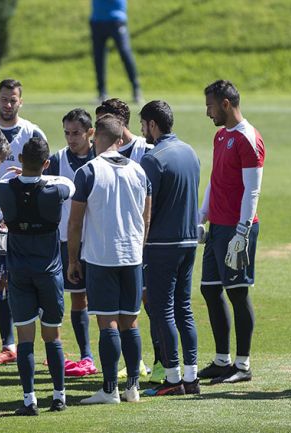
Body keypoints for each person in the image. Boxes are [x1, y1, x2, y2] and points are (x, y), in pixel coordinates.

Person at [68, 114, 151, 404]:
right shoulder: (139, 171)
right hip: (132, 256)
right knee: (131, 323)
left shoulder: (89, 171)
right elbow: (146, 216)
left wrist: (73, 259)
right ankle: (133, 388)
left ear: (94, 138)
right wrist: (139, 249)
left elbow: (75, 223)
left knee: (108, 324)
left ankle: (108, 389)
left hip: (102, 257)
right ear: (119, 140)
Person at [0, 136, 76, 416]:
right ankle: (58, 396)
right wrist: (42, 174)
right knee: (52, 337)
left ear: (19, 160)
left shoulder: (3, 188)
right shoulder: (56, 190)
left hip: (19, 273)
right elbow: (69, 184)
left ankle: (29, 400)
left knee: (25, 339)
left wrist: (26, 176)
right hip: (49, 273)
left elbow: (8, 184)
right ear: (46, 163)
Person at [198, 80, 264, 384]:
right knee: (210, 289)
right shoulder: (220, 135)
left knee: (237, 293)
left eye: (210, 105)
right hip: (217, 227)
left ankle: (243, 364)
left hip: (238, 229)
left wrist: (242, 231)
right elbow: (215, 179)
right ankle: (223, 360)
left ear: (225, 104)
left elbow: (253, 190)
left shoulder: (248, 138)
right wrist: (202, 216)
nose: (207, 111)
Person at [137, 101, 201, 396]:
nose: (142, 131)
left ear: (152, 124)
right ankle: (191, 377)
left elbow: (145, 208)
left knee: (163, 311)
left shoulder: (153, 159)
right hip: (189, 242)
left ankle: (173, 380)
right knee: (184, 309)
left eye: (143, 125)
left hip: (162, 244)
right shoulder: (190, 152)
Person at [0, 79, 49, 367]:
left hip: (23, 221)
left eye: (13, 100)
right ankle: (8, 344)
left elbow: (46, 170)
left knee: (31, 279)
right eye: (4, 99)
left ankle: (44, 344)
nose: (8, 104)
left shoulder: (32, 131)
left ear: (21, 101)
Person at [96, 97, 158, 382]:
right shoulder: (100, 155)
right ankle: (139, 364)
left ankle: (161, 360)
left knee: (148, 303)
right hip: (124, 242)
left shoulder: (145, 150)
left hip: (142, 242)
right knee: (126, 308)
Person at [42, 109, 99, 377]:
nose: (70, 138)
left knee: (106, 301)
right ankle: (86, 353)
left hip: (99, 240)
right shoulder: (57, 161)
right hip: (69, 242)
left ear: (91, 133)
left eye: (76, 133)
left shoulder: (102, 157)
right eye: (66, 133)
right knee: (78, 299)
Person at [90, 0, 142, 103]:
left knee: (125, 52)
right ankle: (102, 92)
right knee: (98, 57)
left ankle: (136, 89)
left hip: (117, 19)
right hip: (97, 19)